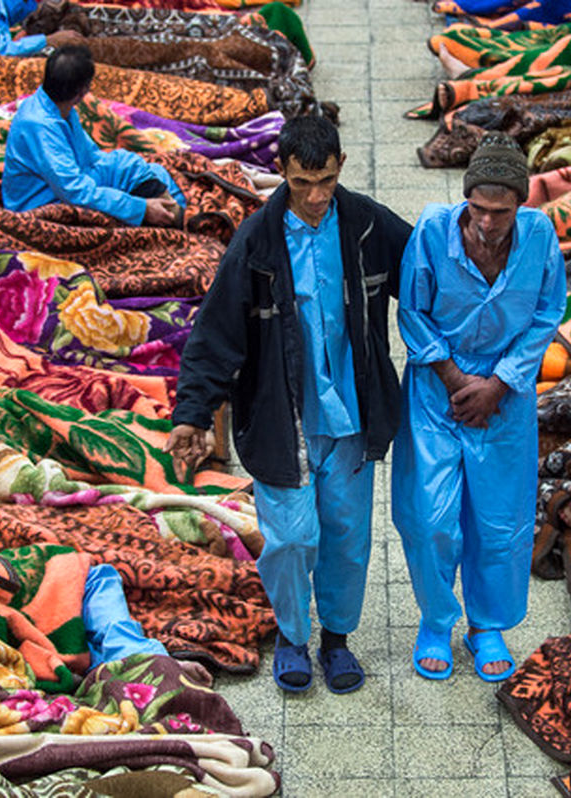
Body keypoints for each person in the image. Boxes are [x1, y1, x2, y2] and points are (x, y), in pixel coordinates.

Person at [165, 115, 412, 695]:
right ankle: (294, 637)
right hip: (283, 418)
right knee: (292, 538)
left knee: (348, 534)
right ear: (282, 172)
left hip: (351, 416)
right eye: (302, 182)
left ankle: (337, 641)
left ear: (341, 167)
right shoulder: (255, 241)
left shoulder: (367, 224)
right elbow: (216, 332)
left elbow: (425, 275)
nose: (315, 196)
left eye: (325, 180)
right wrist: (193, 413)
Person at [391, 133, 566, 683]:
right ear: (465, 202)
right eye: (479, 210)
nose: (488, 223)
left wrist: (500, 383)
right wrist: (454, 377)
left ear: (522, 206)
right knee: (432, 517)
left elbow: (546, 312)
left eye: (501, 212)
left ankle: (486, 624)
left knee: (500, 519)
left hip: (504, 399)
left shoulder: (539, 236)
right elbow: (413, 312)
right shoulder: (432, 231)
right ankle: (437, 619)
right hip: (436, 392)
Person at [2, 46, 185, 227]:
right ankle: (175, 220)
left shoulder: (60, 107)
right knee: (130, 171)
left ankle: (176, 213)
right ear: (81, 93)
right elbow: (74, 191)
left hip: (73, 181)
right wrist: (140, 207)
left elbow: (92, 157)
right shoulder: (38, 124)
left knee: (146, 169)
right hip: (44, 200)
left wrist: (125, 170)